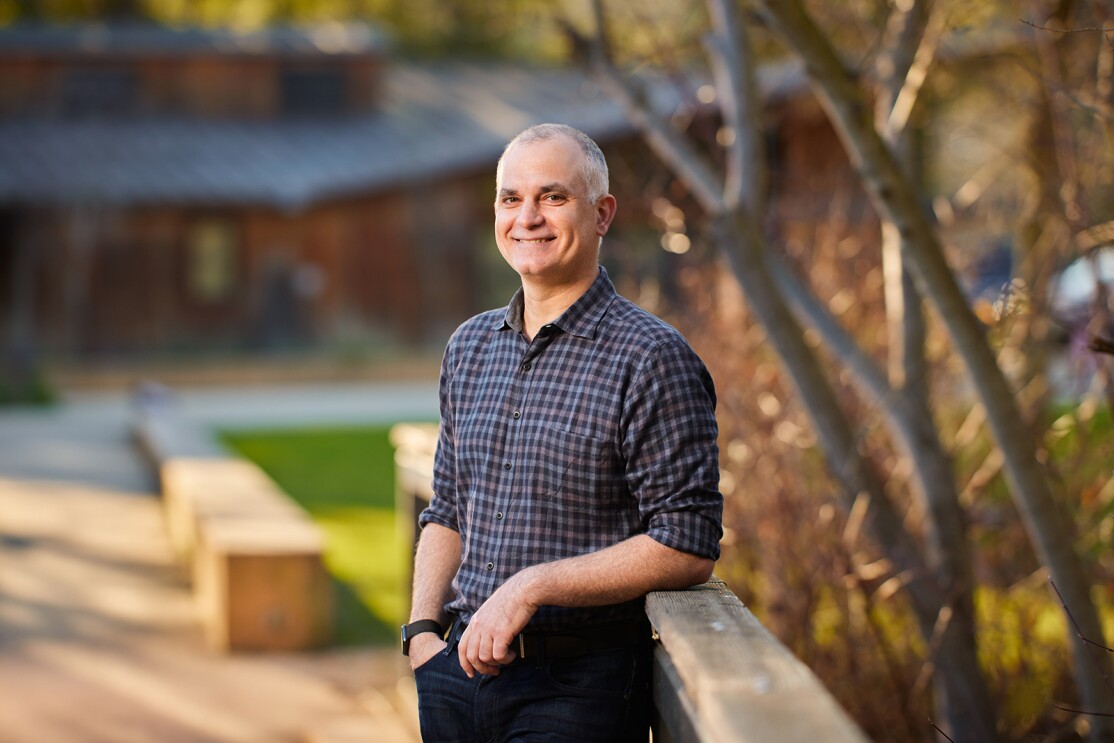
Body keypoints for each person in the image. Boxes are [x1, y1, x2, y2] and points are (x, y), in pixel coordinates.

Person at [403, 123, 723, 743]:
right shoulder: (469, 347)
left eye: (552, 197)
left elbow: (687, 542)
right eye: (510, 198)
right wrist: (420, 635)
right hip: (452, 674)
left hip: (577, 688)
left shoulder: (652, 357)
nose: (528, 218)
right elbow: (446, 510)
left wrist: (533, 586)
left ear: (602, 214)